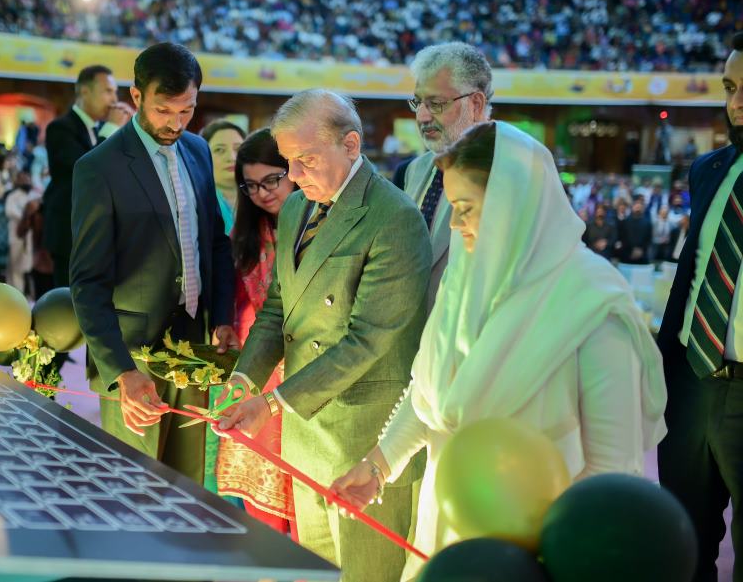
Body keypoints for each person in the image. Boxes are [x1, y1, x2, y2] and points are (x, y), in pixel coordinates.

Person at [332, 121, 667, 581]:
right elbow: (431, 396)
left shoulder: (594, 303)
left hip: (536, 550)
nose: (453, 224)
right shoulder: (463, 276)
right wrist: (379, 464)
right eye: (451, 207)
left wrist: (543, 553)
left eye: (466, 208)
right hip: (444, 530)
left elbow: (613, 468)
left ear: (517, 205)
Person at [216, 90, 431, 582]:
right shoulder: (296, 209)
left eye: (306, 160)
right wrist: (244, 381)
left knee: (366, 570)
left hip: (363, 431)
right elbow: (277, 308)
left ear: (351, 145)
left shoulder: (393, 218)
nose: (293, 176)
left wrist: (272, 404)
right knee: (319, 566)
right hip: (305, 427)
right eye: (289, 161)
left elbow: (368, 340)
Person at [69, 43, 237, 483]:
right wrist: (121, 371)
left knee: (187, 486)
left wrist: (221, 316)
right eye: (165, 110)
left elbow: (215, 243)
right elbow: (87, 281)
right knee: (134, 487)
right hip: (133, 354)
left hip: (194, 342)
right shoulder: (98, 167)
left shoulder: (198, 151)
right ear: (137, 95)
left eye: (188, 111)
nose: (176, 124)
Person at [658, 31, 743, 582]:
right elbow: (694, 271)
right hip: (691, 379)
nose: (737, 101)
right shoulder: (709, 169)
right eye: (732, 87)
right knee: (683, 545)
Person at [215, 128, 296, 535]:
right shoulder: (249, 233)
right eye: (250, 186)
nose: (262, 194)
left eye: (271, 181)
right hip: (256, 371)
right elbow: (239, 297)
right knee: (260, 508)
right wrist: (226, 324)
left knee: (302, 501)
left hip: (302, 375)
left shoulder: (318, 226)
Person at [402, 42, 494, 310]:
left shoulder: (509, 171)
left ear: (475, 104)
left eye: (436, 104)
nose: (422, 116)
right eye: (418, 102)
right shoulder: (415, 170)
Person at [43, 65, 132, 289]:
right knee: (69, 303)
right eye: (107, 91)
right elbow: (89, 171)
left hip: (102, 232)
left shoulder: (103, 129)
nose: (114, 99)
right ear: (84, 92)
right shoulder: (60, 128)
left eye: (115, 92)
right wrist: (112, 127)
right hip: (69, 233)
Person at [200, 119, 246, 234]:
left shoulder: (261, 197)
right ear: (202, 156)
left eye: (238, 148)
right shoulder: (197, 204)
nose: (232, 157)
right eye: (219, 150)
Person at [4, 171, 38, 294]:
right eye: (23, 179)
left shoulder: (34, 195)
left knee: (29, 266)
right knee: (15, 268)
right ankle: (16, 295)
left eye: (28, 179)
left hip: (31, 238)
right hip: (16, 237)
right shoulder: (12, 196)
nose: (26, 181)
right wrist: (27, 215)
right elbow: (10, 212)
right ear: (17, 181)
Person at [618, 196, 652, 264]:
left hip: (642, 254)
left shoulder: (648, 223)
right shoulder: (625, 222)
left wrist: (640, 250)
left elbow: (648, 239)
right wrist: (632, 250)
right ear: (632, 208)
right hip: (627, 253)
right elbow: (622, 237)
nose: (638, 209)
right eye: (636, 207)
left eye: (640, 208)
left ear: (643, 209)